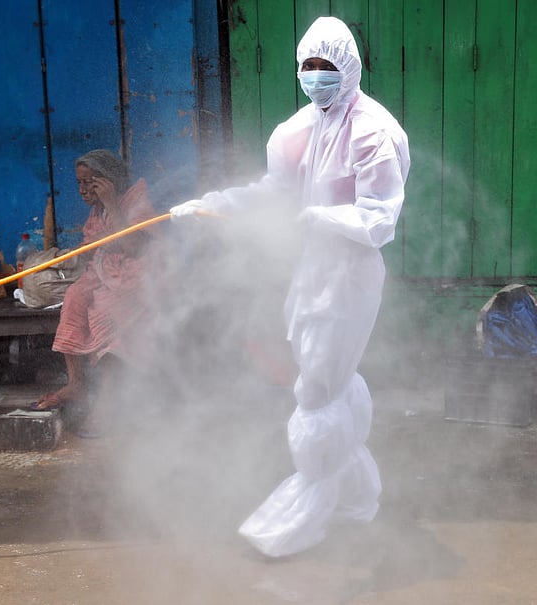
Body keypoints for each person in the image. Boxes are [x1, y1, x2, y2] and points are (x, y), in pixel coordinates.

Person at [169, 16, 410, 557]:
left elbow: (379, 221)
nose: (315, 76)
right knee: (330, 380)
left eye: (326, 67)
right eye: (308, 66)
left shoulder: (371, 132)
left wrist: (321, 219)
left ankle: (304, 508)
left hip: (348, 278)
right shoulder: (300, 128)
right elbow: (273, 190)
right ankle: (354, 498)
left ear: (348, 68)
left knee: (317, 391)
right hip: (311, 274)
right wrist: (214, 204)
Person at [32, 150, 166, 437]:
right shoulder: (98, 210)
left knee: (105, 315)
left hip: (142, 282)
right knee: (75, 298)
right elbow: (95, 247)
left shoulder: (135, 203)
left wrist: (111, 204)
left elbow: (133, 249)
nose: (83, 190)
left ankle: (108, 406)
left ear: (110, 181)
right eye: (79, 183)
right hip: (109, 275)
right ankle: (76, 383)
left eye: (90, 182)